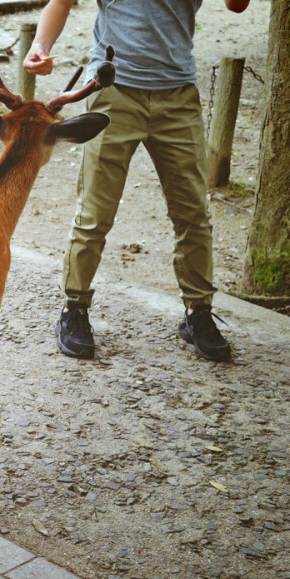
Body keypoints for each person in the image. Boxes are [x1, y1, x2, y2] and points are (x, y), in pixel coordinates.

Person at [23, 0, 250, 362]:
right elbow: (62, 2)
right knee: (96, 211)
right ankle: (74, 309)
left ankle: (198, 312)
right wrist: (40, 46)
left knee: (193, 212)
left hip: (178, 94)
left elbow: (237, 6)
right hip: (112, 91)